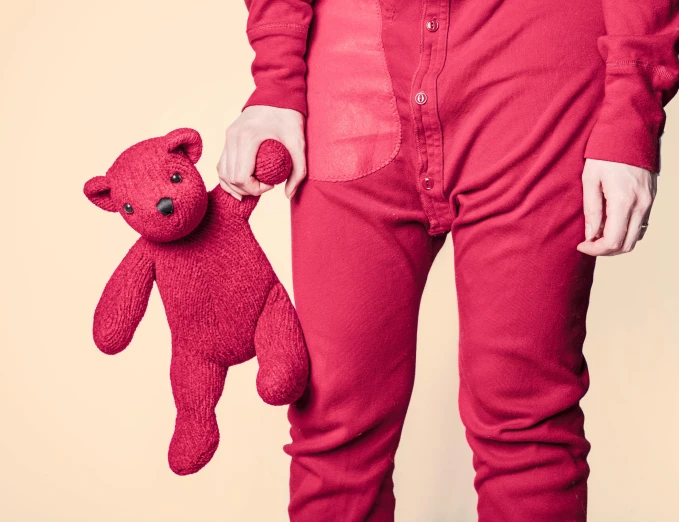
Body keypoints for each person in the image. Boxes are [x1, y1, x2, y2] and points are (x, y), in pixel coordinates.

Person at [217, 1, 679, 521]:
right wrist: (276, 78)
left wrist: (631, 108)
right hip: (355, 64)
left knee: (526, 422)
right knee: (333, 428)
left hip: (535, 67)